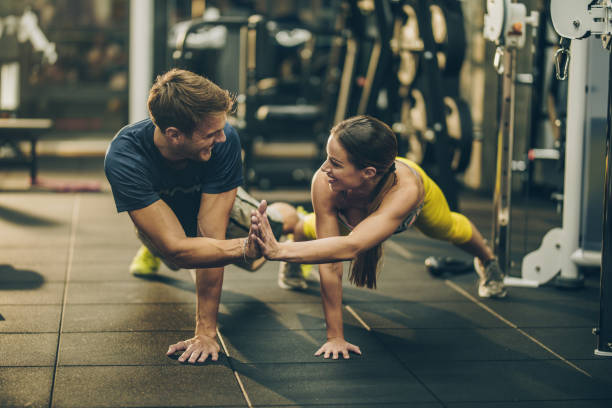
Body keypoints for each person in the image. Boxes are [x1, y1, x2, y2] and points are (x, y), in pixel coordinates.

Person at [250, 114, 506, 359]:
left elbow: (351, 246)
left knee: (446, 227)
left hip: (411, 204)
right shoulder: (325, 181)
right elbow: (330, 262)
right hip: (350, 211)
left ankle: (488, 260)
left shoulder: (406, 190)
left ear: (368, 173)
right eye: (327, 158)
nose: (324, 168)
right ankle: (296, 232)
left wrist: (278, 250)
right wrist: (334, 337)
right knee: (308, 228)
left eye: (336, 163)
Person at [104, 68, 299, 364]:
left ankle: (300, 220)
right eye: (211, 133)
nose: (222, 138)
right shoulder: (125, 157)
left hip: (215, 204)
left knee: (262, 249)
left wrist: (206, 332)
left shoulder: (225, 140)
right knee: (173, 253)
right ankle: (151, 245)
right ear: (174, 135)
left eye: (222, 128)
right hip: (164, 214)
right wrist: (243, 247)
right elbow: (179, 251)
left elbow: (211, 238)